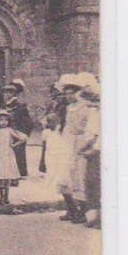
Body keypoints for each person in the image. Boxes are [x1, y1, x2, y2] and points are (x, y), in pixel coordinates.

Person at [58, 72, 96, 224]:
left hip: (81, 142)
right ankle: (72, 209)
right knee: (64, 176)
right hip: (69, 142)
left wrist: (84, 144)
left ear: (78, 92)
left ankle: (83, 212)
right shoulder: (69, 109)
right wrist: (64, 143)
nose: (68, 96)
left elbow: (89, 128)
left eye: (71, 93)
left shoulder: (86, 107)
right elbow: (67, 127)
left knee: (80, 176)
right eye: (66, 94)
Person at [0, 109, 27, 206]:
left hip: (8, 155)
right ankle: (1, 196)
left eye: (5, 120)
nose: (3, 122)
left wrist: (14, 145)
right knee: (0, 176)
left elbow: (24, 137)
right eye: (1, 120)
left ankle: (6, 196)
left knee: (7, 176)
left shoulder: (10, 130)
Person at [79, 83, 101, 229]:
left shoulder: (97, 113)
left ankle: (100, 216)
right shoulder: (94, 113)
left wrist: (91, 148)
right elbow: (91, 134)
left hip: (99, 151)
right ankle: (95, 215)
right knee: (91, 182)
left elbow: (95, 135)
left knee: (95, 182)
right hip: (95, 150)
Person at [4, 80, 33, 179]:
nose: (6, 94)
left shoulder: (17, 104)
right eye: (5, 92)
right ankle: (14, 171)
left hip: (18, 129)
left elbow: (20, 117)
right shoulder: (9, 103)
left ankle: (21, 173)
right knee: (14, 150)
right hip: (13, 128)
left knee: (18, 150)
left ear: (12, 94)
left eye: (8, 93)